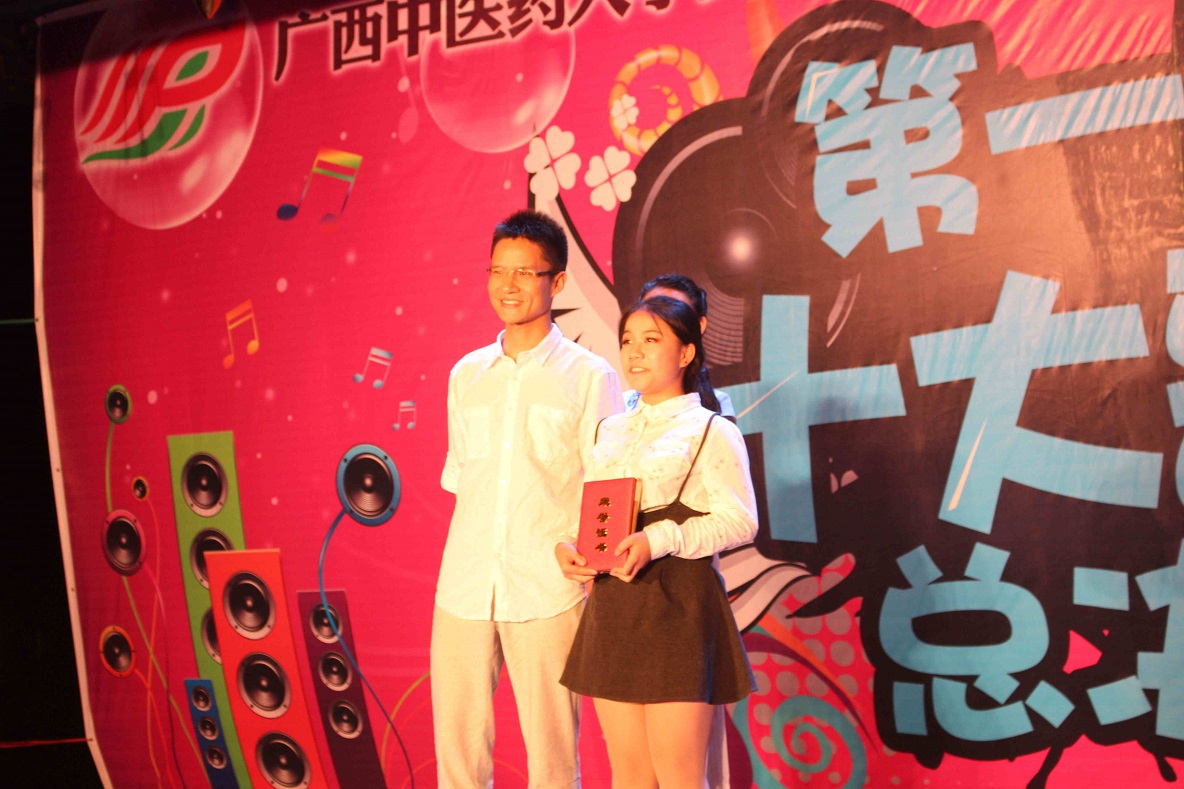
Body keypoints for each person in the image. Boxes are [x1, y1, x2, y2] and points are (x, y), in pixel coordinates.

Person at [433, 209, 622, 788]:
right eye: (497, 271)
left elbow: (607, 482)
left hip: (548, 589)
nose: (508, 285)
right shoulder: (466, 375)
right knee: (458, 759)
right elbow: (463, 477)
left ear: (556, 281)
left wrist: (591, 558)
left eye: (524, 272)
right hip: (464, 586)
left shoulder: (590, 376)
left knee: (553, 760)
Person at [555, 296, 758, 788]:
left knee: (679, 774)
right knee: (629, 775)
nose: (634, 352)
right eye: (627, 340)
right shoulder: (610, 430)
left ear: (686, 353)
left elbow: (741, 521)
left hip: (678, 607)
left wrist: (661, 538)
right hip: (614, 607)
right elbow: (592, 510)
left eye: (651, 340)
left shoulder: (710, 430)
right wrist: (569, 546)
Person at [627, 273, 735, 421]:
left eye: (672, 312)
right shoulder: (617, 409)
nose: (657, 320)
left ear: (699, 325)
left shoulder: (715, 417)